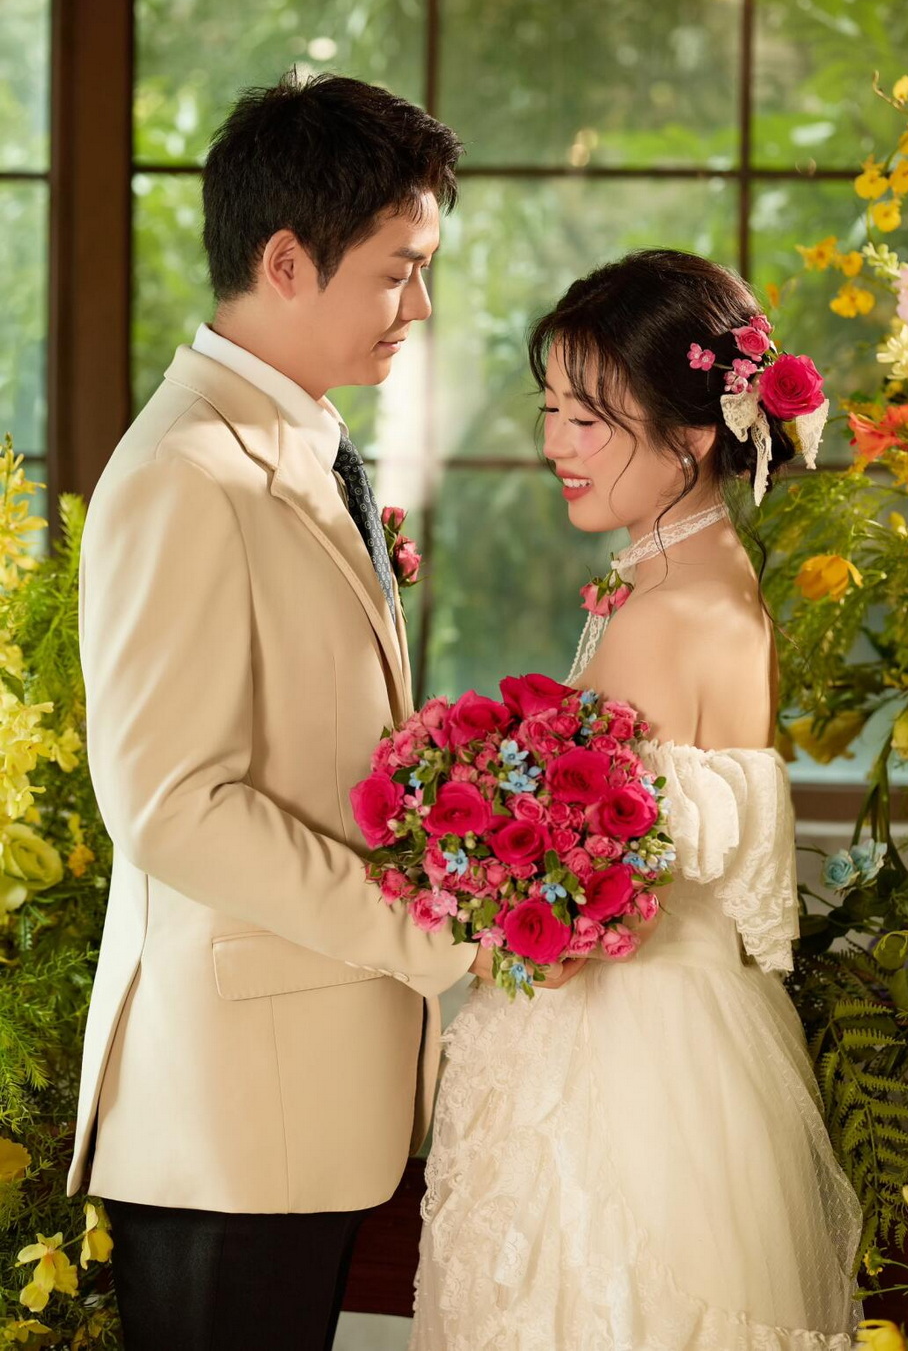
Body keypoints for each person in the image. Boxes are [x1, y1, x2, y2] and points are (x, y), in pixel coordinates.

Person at [66, 71, 581, 1351]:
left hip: (296, 1099)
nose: (420, 306)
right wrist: (423, 930)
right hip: (229, 1117)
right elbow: (171, 805)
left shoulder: (298, 443)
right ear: (286, 261)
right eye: (398, 271)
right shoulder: (183, 473)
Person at [411, 249, 862, 1349]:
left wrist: (468, 909)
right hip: (687, 1042)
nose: (554, 445)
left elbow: (587, 919)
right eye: (551, 410)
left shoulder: (664, 612)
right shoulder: (694, 567)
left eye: (589, 420)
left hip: (622, 1070)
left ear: (694, 434)